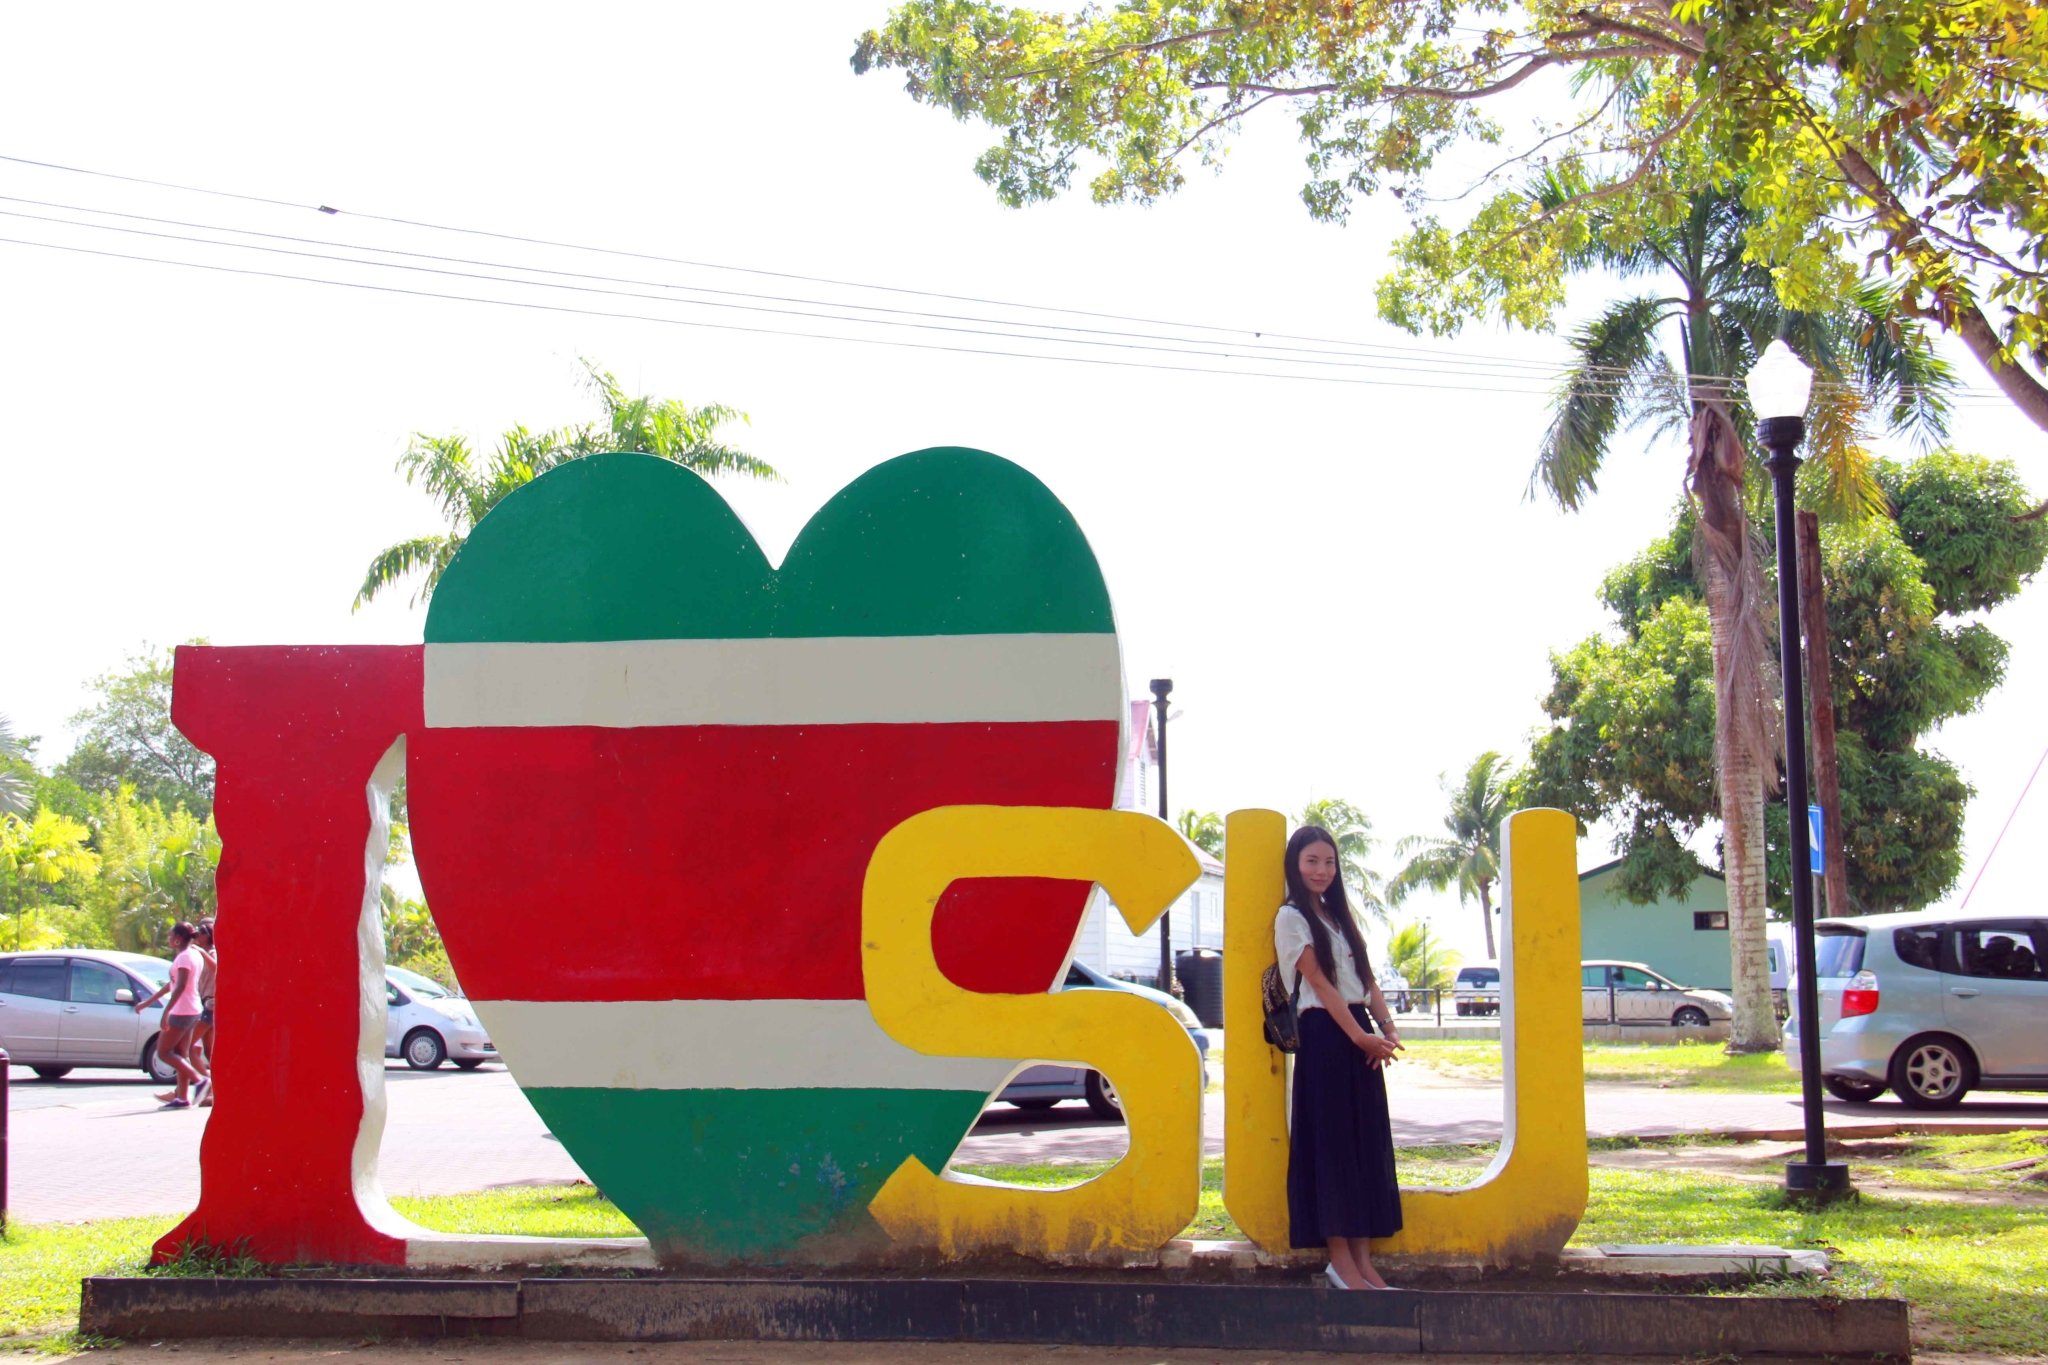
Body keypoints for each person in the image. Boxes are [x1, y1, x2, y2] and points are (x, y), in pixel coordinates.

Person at [1275, 824, 1404, 1290]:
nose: (1322, 870)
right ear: (1295, 864)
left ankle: (1365, 1264)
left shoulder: (1339, 915)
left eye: (1329, 862)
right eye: (1312, 861)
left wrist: (1386, 1029)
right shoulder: (1291, 918)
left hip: (1359, 1033)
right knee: (1332, 1148)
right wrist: (1359, 1038)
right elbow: (1322, 986)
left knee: (1364, 1144)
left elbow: (1366, 982)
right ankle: (1340, 1263)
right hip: (1328, 1035)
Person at [134, 921, 209, 1108]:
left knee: (164, 1052)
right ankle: (182, 1098)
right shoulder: (194, 954)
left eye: (170, 936)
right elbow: (173, 984)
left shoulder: (184, 957)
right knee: (180, 1054)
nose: (168, 939)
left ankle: (199, 1081)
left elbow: (181, 986)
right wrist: (147, 1003)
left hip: (182, 1010)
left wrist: (166, 1013)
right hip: (193, 1008)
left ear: (177, 940)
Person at [191, 919, 218, 1106]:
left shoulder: (213, 952)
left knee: (188, 1044)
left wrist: (201, 952)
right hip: (206, 1003)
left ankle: (202, 1081)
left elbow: (217, 967)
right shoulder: (204, 954)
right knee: (211, 1053)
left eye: (200, 934)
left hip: (211, 1004)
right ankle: (212, 1091)